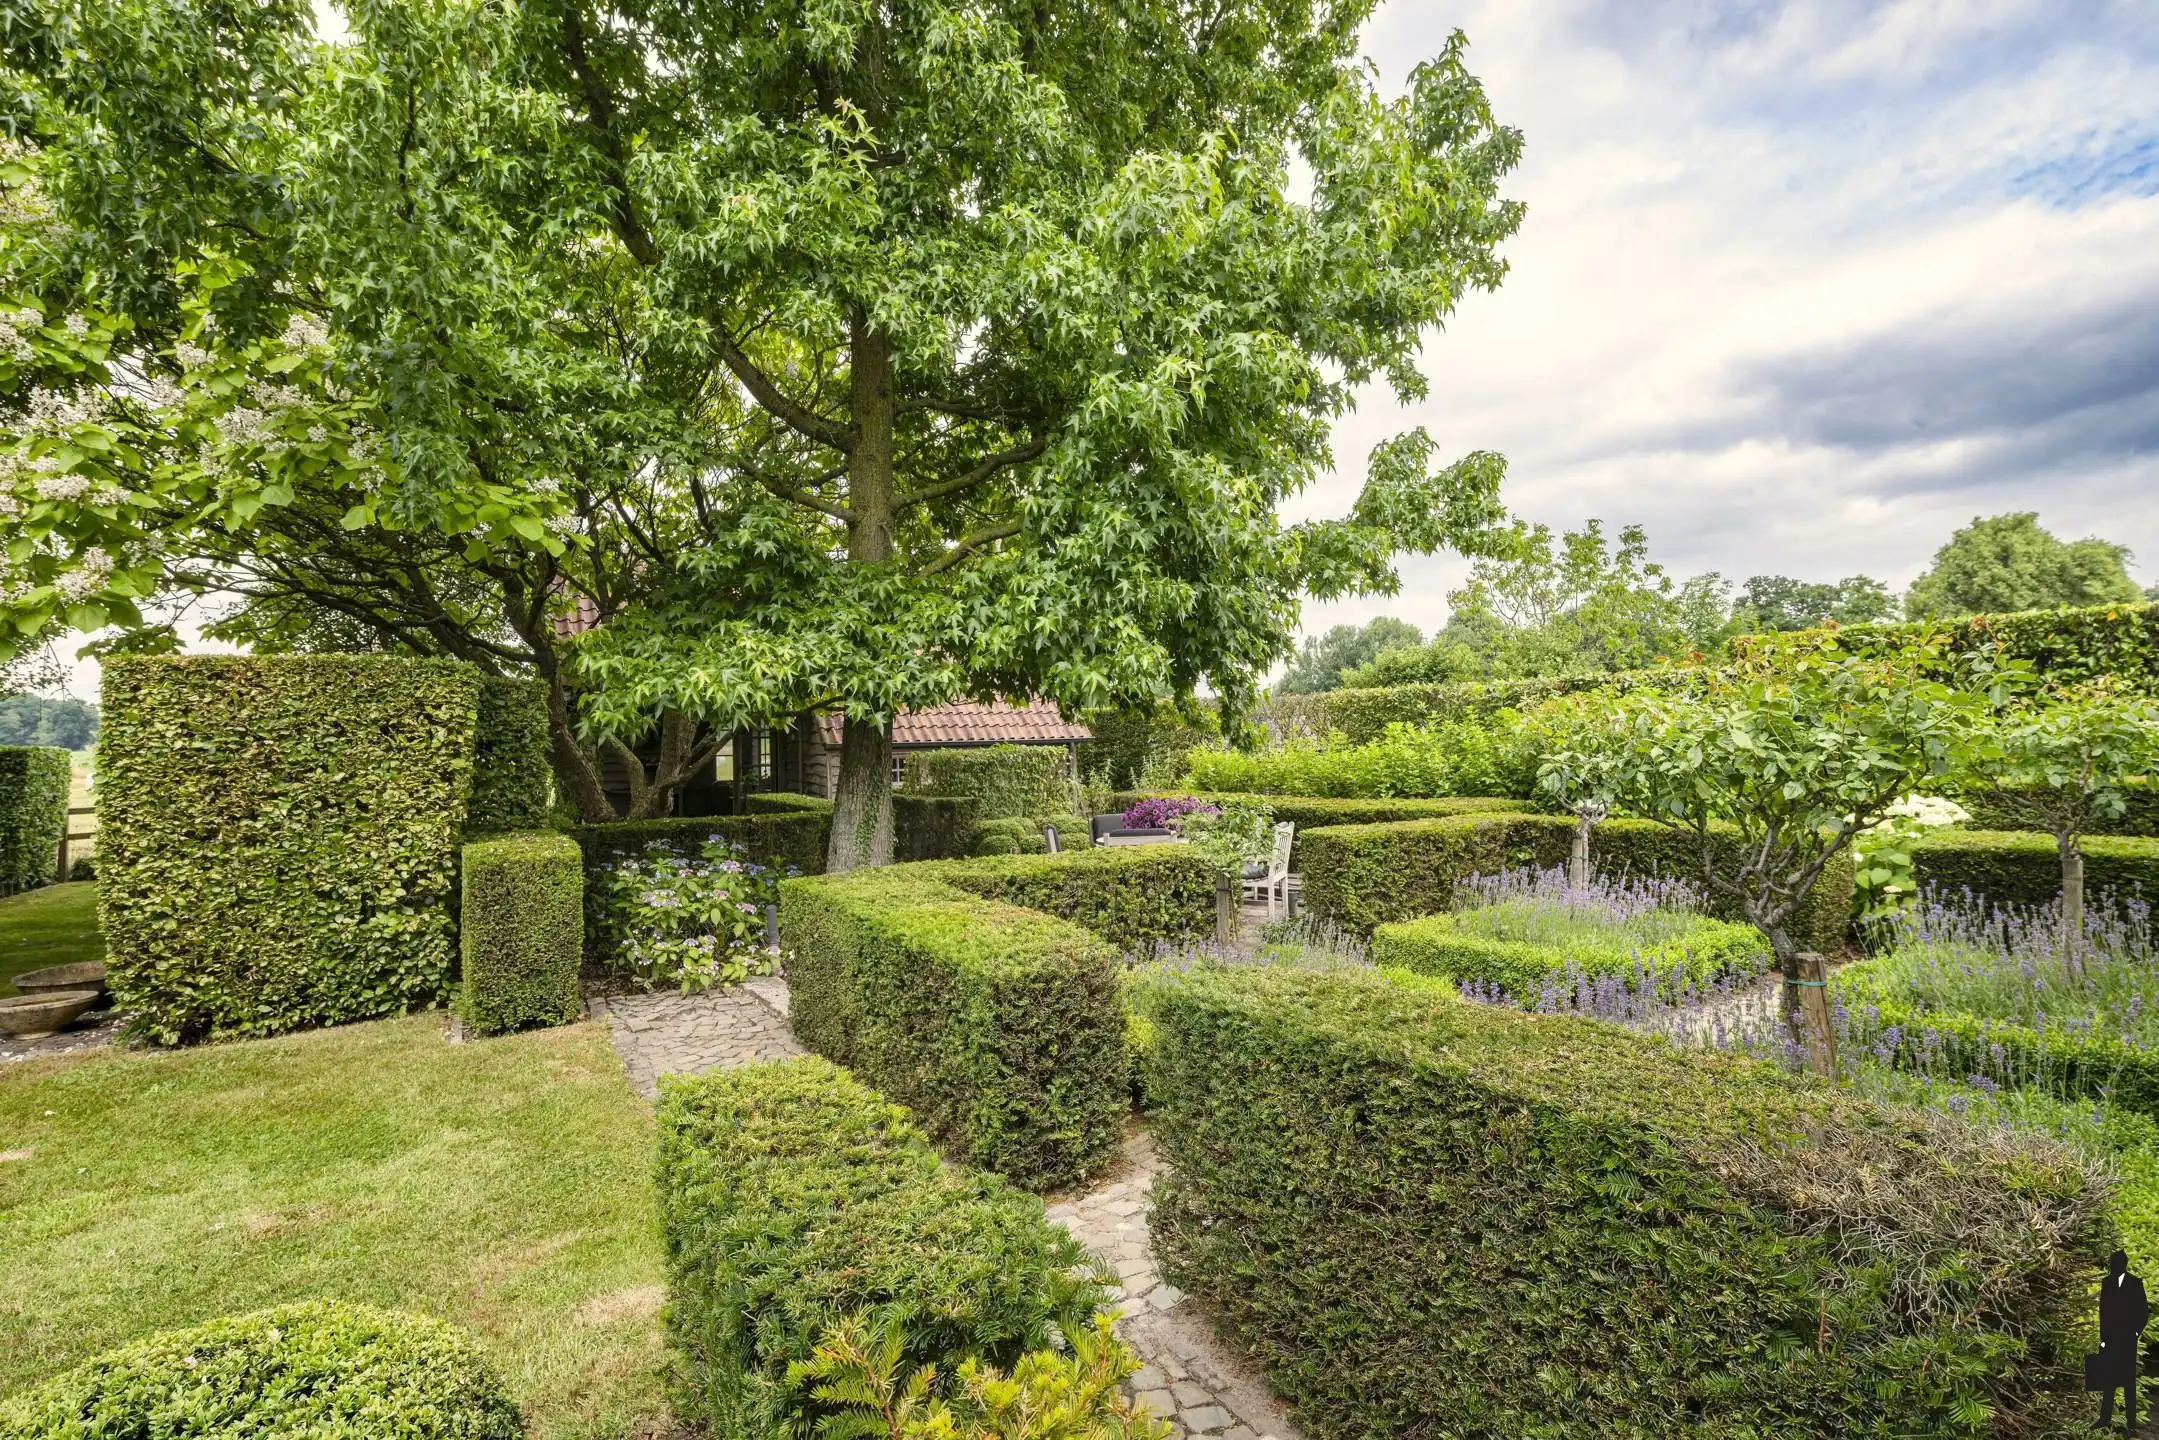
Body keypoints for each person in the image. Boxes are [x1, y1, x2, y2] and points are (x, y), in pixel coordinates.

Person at [2097, 1249, 2150, 1429]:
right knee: (2109, 1380)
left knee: (2128, 1381)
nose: (2114, 1267)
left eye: (2116, 1263)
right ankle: (2104, 1419)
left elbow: (2143, 1311)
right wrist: (2103, 1338)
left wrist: (2135, 1332)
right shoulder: (2107, 1282)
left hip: (2128, 1339)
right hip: (2110, 1339)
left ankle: (2131, 1423)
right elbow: (2103, 1312)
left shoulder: (2135, 1283)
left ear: (2123, 1264)